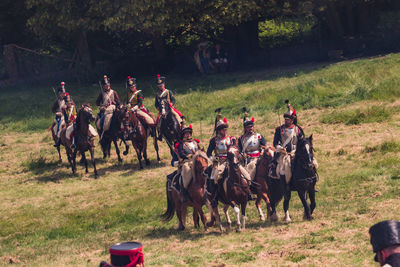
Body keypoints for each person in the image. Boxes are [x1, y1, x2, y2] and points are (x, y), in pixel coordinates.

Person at [206, 109, 252, 198]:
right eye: (223, 129)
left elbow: (236, 149)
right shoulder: (213, 141)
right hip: (220, 162)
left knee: (247, 175)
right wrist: (213, 158)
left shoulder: (232, 139)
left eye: (225, 129)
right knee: (214, 177)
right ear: (219, 130)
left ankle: (248, 193)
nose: (225, 131)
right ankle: (214, 196)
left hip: (232, 161)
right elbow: (208, 153)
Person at [273, 100, 304, 187]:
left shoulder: (298, 129)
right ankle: (285, 186)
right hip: (285, 153)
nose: (286, 121)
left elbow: (302, 141)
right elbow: (275, 143)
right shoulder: (279, 129)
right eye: (285, 119)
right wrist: (280, 148)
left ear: (292, 120)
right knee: (282, 169)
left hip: (296, 152)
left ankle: (310, 183)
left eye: (288, 120)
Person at [238, 107, 266, 180]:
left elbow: (264, 146)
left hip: (258, 158)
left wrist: (263, 151)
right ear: (245, 128)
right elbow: (239, 150)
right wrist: (242, 155)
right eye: (248, 127)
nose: (250, 128)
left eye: (251, 127)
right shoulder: (241, 139)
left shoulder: (259, 136)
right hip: (247, 159)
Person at [154, 74, 183, 140]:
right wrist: (159, 109)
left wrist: (171, 104)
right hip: (162, 110)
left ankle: (182, 128)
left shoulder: (168, 92)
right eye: (159, 86)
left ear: (164, 84)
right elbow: (156, 104)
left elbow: (173, 99)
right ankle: (160, 134)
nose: (160, 86)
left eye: (161, 85)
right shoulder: (157, 95)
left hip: (169, 108)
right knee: (158, 121)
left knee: (178, 116)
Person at [177, 122, 201, 202]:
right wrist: (188, 156)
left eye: (189, 133)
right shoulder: (182, 144)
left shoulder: (195, 142)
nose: (188, 135)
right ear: (183, 135)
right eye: (186, 133)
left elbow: (199, 150)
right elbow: (181, 153)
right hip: (188, 161)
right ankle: (184, 190)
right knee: (186, 170)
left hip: (197, 160)